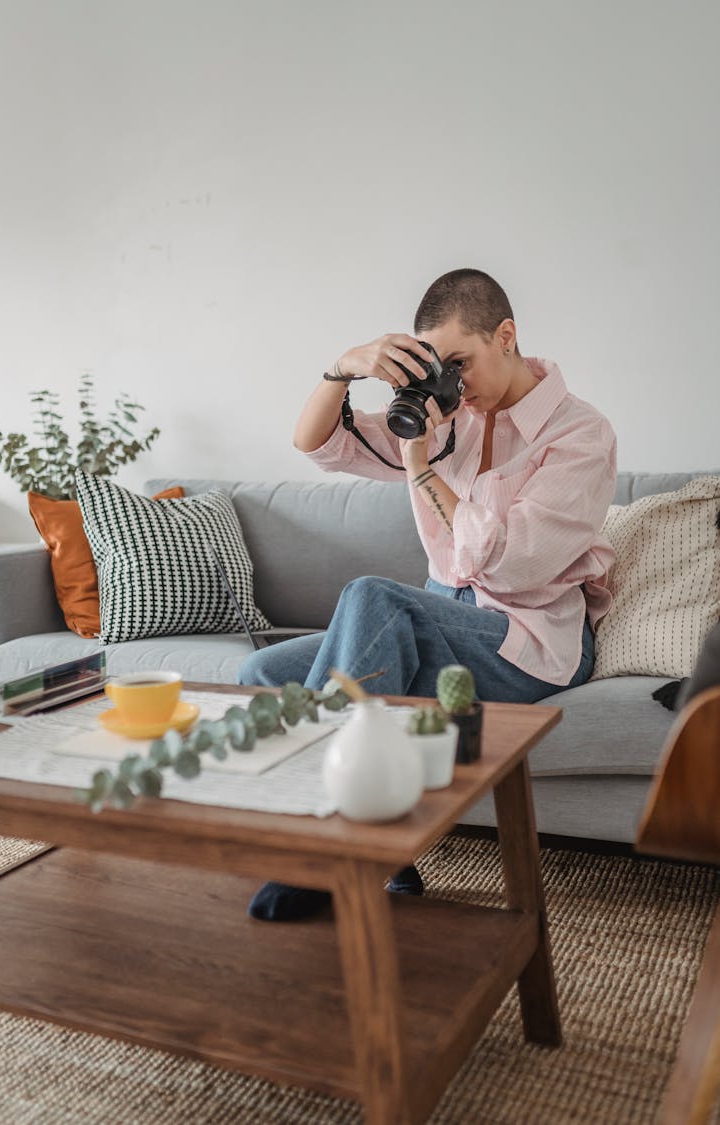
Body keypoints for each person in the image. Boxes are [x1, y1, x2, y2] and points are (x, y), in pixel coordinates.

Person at [240, 268, 618, 921]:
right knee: (262, 671)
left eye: (460, 363)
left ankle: (332, 842)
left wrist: (419, 466)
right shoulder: (447, 419)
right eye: (437, 367)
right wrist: (343, 368)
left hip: (529, 643)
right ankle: (387, 851)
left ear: (506, 335)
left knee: (372, 598)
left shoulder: (579, 434)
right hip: (446, 621)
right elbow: (316, 442)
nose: (453, 383)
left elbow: (509, 565)